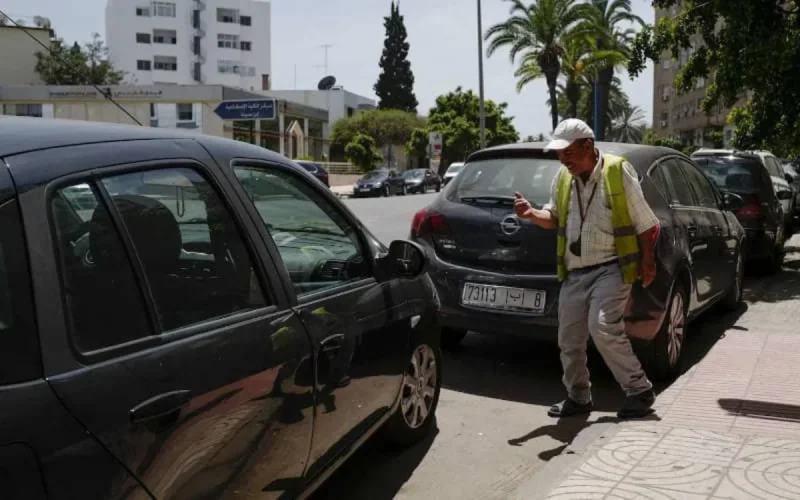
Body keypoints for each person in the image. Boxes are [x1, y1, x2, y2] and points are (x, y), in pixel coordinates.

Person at [514, 118, 660, 419]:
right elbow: (553, 218)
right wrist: (531, 214)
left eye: (567, 152)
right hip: (575, 271)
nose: (562, 158)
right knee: (569, 338)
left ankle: (639, 390)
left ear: (588, 146)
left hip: (611, 268)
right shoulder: (563, 178)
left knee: (603, 326)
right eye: (559, 153)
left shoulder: (618, 172)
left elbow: (647, 224)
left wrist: (648, 262)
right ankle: (578, 397)